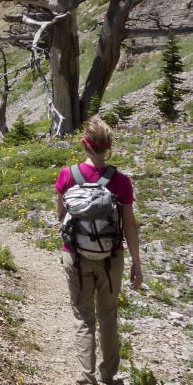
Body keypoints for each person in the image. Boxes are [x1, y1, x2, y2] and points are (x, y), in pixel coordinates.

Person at [55, 116, 143, 385]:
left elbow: (60, 215)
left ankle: (86, 377)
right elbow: (129, 224)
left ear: (85, 143)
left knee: (83, 316)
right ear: (108, 147)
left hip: (77, 255)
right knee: (108, 314)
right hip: (111, 257)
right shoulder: (122, 181)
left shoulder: (67, 175)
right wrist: (137, 262)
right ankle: (107, 376)